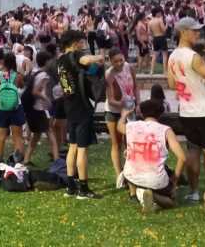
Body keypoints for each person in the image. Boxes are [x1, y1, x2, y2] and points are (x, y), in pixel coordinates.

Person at [167, 17, 205, 203]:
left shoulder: (173, 56)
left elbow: (171, 83)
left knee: (193, 151)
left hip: (187, 111)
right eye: (194, 31)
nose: (198, 34)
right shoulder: (193, 56)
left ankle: (194, 191)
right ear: (183, 32)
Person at [56, 30, 106, 199]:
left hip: (69, 105)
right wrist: (99, 57)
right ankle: (83, 189)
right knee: (83, 149)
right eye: (80, 41)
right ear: (75, 42)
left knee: (73, 146)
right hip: (81, 106)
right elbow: (85, 60)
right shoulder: (75, 55)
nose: (82, 44)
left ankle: (71, 186)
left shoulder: (60, 60)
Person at [118, 99, 186, 213]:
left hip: (131, 176)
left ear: (142, 113)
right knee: (171, 202)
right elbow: (182, 158)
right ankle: (153, 196)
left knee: (130, 158)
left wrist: (124, 115)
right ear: (160, 114)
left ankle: (136, 193)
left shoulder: (132, 126)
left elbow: (120, 126)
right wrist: (174, 182)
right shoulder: (166, 130)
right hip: (156, 179)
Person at [104, 48, 140, 187]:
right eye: (115, 61)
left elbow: (136, 87)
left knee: (129, 142)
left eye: (121, 60)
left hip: (130, 110)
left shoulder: (129, 67)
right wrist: (123, 104)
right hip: (114, 111)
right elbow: (111, 99)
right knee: (116, 143)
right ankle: (120, 175)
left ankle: (130, 172)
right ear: (110, 61)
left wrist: (138, 104)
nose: (119, 63)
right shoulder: (109, 75)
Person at [0, 52, 26, 162]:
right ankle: (18, 163)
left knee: (0, 138)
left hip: (1, 108)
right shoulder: (18, 76)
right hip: (16, 108)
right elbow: (21, 86)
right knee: (17, 137)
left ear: (4, 61)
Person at [23, 51, 55, 165]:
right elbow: (36, 91)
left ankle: (27, 159)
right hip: (39, 108)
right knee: (50, 133)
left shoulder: (34, 71)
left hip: (32, 108)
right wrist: (47, 100)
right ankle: (57, 159)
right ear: (47, 61)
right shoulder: (44, 75)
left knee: (36, 135)